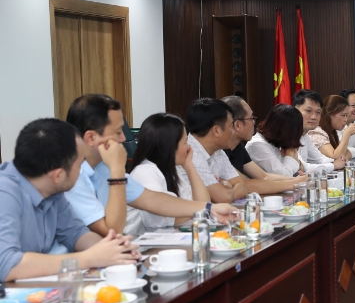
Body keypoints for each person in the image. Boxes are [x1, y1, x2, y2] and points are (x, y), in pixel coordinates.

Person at [64, 94, 233, 235]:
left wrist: (209, 208)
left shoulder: (102, 168)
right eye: (117, 132)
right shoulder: (71, 177)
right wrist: (117, 170)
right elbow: (111, 230)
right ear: (91, 138)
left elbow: (152, 199)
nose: (123, 139)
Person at [0, 118, 140, 281]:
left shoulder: (51, 187)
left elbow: (75, 233)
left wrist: (114, 249)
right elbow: (6, 264)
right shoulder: (5, 192)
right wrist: (89, 258)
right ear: (58, 175)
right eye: (79, 165)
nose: (81, 171)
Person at [125, 113, 210, 234]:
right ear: (170, 146)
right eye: (185, 142)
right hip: (139, 243)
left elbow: (203, 203)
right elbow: (161, 217)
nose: (189, 147)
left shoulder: (171, 170)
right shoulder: (145, 171)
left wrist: (189, 166)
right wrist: (196, 209)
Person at [221, 95, 306, 194]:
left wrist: (300, 180)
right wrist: (296, 183)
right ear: (237, 125)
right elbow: (246, 185)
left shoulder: (238, 147)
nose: (254, 123)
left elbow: (264, 176)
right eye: (251, 119)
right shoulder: (219, 151)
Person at [182, 98, 248, 203]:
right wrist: (227, 190)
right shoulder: (191, 153)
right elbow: (223, 197)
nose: (233, 132)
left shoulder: (218, 150)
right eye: (231, 126)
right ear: (216, 130)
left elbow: (242, 187)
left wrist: (226, 191)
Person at [293, 90, 345, 173]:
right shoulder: (287, 134)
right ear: (295, 111)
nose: (314, 117)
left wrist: (337, 160)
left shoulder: (305, 135)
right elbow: (302, 167)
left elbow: (320, 159)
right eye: (308, 111)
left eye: (318, 112)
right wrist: (334, 165)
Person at [246, 104, 305, 176]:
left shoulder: (279, 142)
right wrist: (289, 155)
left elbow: (302, 166)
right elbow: (284, 176)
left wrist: (298, 163)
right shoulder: (257, 145)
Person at [309, 95, 355, 160]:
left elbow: (348, 153)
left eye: (346, 115)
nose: (345, 120)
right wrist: (347, 134)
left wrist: (342, 156)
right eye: (343, 115)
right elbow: (335, 158)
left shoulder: (332, 131)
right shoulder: (316, 132)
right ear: (330, 114)